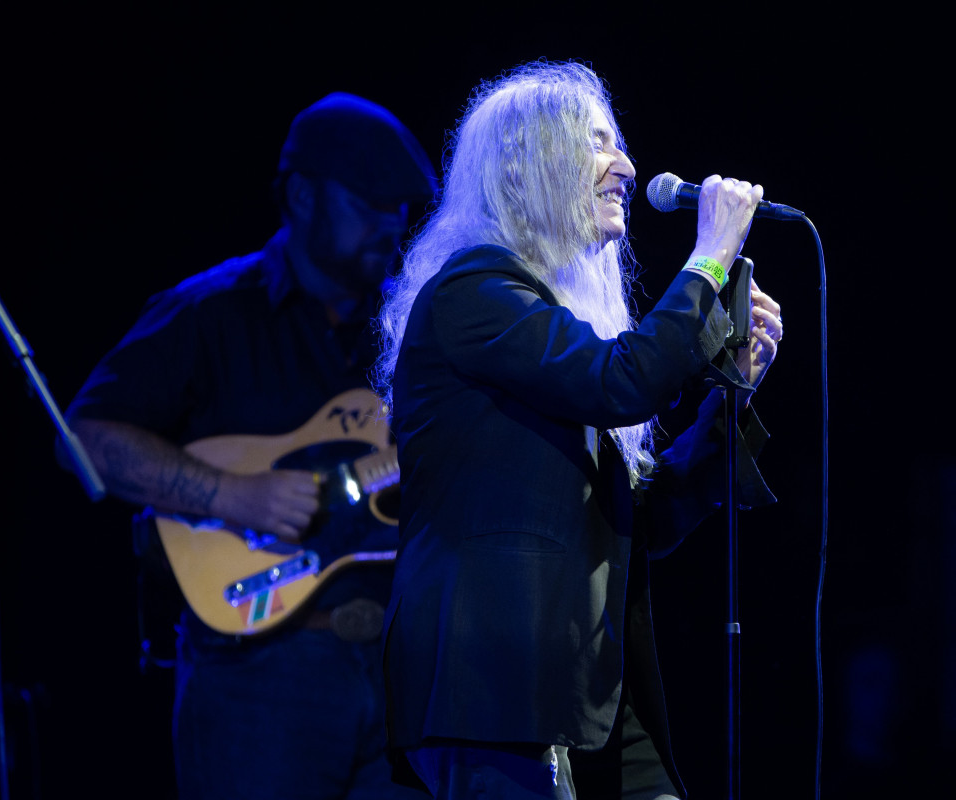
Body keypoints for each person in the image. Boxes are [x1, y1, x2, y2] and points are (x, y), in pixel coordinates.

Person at [373, 61, 784, 799]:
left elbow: (644, 519)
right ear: (525, 166)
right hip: (493, 686)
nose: (625, 166)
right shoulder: (474, 292)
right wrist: (711, 257)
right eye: (597, 145)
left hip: (583, 686)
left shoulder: (549, 327)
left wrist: (732, 399)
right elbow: (621, 381)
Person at [63, 93, 436, 799]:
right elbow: (86, 439)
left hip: (400, 669)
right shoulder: (209, 310)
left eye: (402, 207)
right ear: (300, 196)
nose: (391, 224)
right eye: (368, 201)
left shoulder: (409, 329)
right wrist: (233, 494)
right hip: (257, 676)